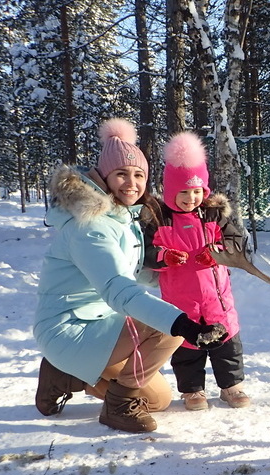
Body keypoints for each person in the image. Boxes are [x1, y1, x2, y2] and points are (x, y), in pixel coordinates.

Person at [33, 118, 226, 433]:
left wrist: (175, 268)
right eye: (121, 174)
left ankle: (66, 375)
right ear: (104, 177)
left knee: (158, 400)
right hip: (68, 327)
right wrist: (181, 324)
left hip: (100, 325)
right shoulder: (89, 226)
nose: (131, 183)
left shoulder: (121, 218)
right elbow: (119, 289)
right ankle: (118, 405)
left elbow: (135, 275)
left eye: (139, 175)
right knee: (169, 327)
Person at [141, 131, 250, 411]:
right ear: (170, 191)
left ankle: (231, 385)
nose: (192, 198)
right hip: (181, 301)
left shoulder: (214, 214)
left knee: (227, 345)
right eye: (184, 191)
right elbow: (145, 252)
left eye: (197, 190)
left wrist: (216, 254)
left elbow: (236, 240)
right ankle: (193, 390)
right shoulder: (159, 219)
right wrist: (164, 257)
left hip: (218, 299)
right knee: (186, 349)